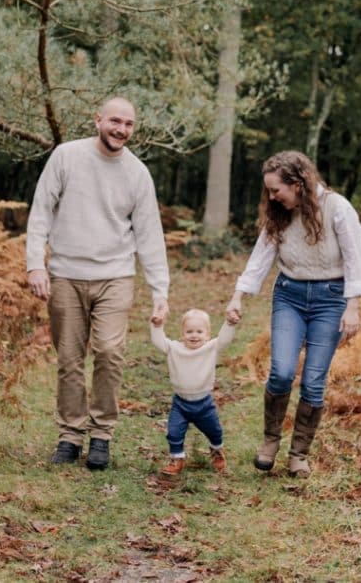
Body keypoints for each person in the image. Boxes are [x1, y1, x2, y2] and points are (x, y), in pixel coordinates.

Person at [26, 97, 170, 470]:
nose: (121, 130)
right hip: (66, 274)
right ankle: (70, 435)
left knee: (108, 351)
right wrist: (35, 265)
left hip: (115, 275)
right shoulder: (66, 156)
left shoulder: (137, 174)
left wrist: (160, 292)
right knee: (69, 358)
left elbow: (150, 236)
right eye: (115, 121)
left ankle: (102, 433)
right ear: (98, 121)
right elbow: (41, 210)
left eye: (129, 124)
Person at [225, 151, 361, 478]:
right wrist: (237, 297)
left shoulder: (337, 208)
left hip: (330, 299)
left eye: (277, 190)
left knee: (314, 382)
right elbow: (260, 259)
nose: (272, 197)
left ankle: (299, 454)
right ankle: (270, 441)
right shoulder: (278, 214)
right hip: (289, 295)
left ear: (298, 183)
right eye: (269, 191)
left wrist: (353, 306)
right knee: (282, 372)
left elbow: (354, 258)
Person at [150, 308, 239, 477]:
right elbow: (158, 341)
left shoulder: (210, 348)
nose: (194, 335)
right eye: (189, 331)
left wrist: (229, 324)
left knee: (214, 431)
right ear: (182, 333)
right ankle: (177, 458)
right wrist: (157, 326)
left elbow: (225, 340)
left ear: (207, 334)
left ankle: (216, 450)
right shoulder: (174, 348)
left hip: (204, 403)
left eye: (199, 331)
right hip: (181, 403)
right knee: (174, 432)